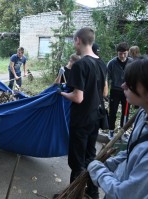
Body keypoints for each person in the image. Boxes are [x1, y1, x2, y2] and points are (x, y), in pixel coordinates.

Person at [88, 55, 148, 198]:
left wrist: (98, 171)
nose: (122, 86)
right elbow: (132, 151)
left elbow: (125, 194)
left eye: (130, 84)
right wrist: (109, 164)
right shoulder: (144, 114)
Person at [57, 27, 107, 199]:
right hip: (96, 118)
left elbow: (78, 97)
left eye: (74, 41)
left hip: (81, 120)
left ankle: (73, 195)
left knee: (76, 161)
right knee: (90, 158)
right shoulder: (101, 63)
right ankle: (92, 193)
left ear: (78, 40)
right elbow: (104, 92)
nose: (74, 45)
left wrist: (62, 93)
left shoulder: (80, 65)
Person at [107, 42, 133, 139]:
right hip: (115, 90)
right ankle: (111, 131)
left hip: (127, 91)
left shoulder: (132, 62)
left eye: (124, 53)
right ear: (117, 53)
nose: (122, 56)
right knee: (113, 111)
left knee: (125, 112)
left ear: (128, 52)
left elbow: (135, 76)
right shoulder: (111, 63)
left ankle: (123, 131)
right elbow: (107, 78)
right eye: (120, 53)